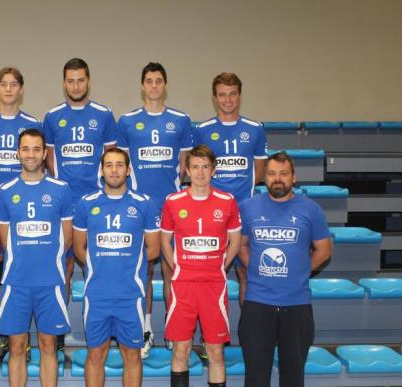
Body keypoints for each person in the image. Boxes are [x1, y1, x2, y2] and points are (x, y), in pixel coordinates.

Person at [237, 152, 331, 387]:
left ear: (294, 177)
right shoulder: (248, 207)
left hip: (296, 302)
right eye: (272, 173)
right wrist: (256, 268)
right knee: (256, 366)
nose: (277, 179)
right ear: (264, 178)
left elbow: (324, 249)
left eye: (283, 173)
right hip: (258, 301)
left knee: (294, 366)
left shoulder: (310, 209)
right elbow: (240, 245)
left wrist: (300, 271)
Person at [73, 148, 160, 387]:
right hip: (96, 295)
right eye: (108, 165)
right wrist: (100, 267)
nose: (114, 170)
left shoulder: (144, 204)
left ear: (128, 170)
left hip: (130, 296)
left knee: (131, 355)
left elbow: (153, 250)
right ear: (101, 171)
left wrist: (125, 266)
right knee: (95, 355)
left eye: (119, 165)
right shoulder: (86, 204)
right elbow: (79, 248)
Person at [0, 128, 72, 387]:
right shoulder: (5, 191)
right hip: (16, 282)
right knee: (16, 347)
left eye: (36, 149)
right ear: (18, 153)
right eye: (25, 149)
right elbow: (5, 240)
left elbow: (67, 238)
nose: (30, 154)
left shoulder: (61, 189)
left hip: (50, 281)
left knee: (48, 346)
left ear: (44, 153)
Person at [160, 145, 241, 387]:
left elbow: (234, 241)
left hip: (213, 287)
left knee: (216, 352)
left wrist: (221, 265)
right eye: (195, 166)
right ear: (187, 170)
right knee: (180, 351)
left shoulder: (227, 201)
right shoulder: (173, 201)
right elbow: (165, 241)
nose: (200, 172)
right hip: (183, 286)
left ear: (213, 170)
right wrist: (178, 267)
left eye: (206, 166)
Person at [117, 62, 193, 358]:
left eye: (158, 80)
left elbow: (184, 166)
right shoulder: (127, 121)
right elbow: (122, 165)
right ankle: (146, 330)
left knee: (174, 269)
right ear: (142, 85)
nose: (154, 86)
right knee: (144, 270)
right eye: (149, 81)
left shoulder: (180, 120)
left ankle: (175, 331)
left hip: (172, 206)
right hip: (140, 208)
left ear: (165, 85)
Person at [43, 58, 117, 347]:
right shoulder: (52, 117)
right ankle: (59, 330)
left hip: (95, 204)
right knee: (63, 267)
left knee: (98, 267)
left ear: (88, 81)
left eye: (81, 80)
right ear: (64, 83)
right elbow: (49, 158)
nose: (76, 86)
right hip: (63, 205)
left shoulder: (104, 115)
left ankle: (102, 330)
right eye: (71, 81)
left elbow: (112, 158)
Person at [0, 67, 42, 359]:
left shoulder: (32, 123)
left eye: (14, 84)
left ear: (21, 89)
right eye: (4, 84)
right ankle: (3, 330)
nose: (9, 89)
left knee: (22, 266)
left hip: (23, 205)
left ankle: (22, 336)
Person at [193, 72, 267, 304]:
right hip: (212, 212)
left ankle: (247, 326)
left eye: (232, 94)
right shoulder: (202, 130)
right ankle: (211, 325)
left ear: (240, 96)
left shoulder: (255, 128)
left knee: (245, 271)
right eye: (222, 95)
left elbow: (259, 170)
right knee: (211, 272)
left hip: (245, 210)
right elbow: (198, 169)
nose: (227, 100)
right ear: (215, 98)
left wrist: (243, 194)